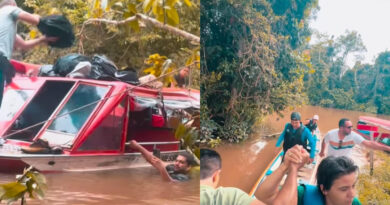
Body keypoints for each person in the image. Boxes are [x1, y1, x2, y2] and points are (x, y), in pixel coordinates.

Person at [200, 145, 310, 205]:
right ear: (216, 176)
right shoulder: (227, 197)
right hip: (293, 156)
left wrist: (285, 165)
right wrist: (292, 168)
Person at [0, 0, 57, 106]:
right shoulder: (8, 9)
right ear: (13, 5)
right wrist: (53, 25)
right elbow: (34, 20)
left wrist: (42, 39)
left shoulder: (5, 25)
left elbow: (24, 45)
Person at [297, 156, 361, 205]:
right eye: (344, 189)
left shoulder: (354, 203)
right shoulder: (301, 195)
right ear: (324, 189)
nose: (352, 194)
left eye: (353, 186)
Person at [319, 118, 390, 158]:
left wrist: (387, 148)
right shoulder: (330, 134)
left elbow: (369, 144)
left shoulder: (353, 136)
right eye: (349, 127)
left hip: (345, 162)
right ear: (341, 128)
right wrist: (322, 152)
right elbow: (324, 141)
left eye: (352, 127)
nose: (352, 129)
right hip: (331, 159)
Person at [129, 140, 195, 182]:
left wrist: (162, 169)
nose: (177, 163)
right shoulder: (173, 167)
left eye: (181, 162)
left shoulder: (184, 178)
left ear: (188, 167)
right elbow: (153, 159)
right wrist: (138, 146)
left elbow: (170, 182)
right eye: (176, 161)